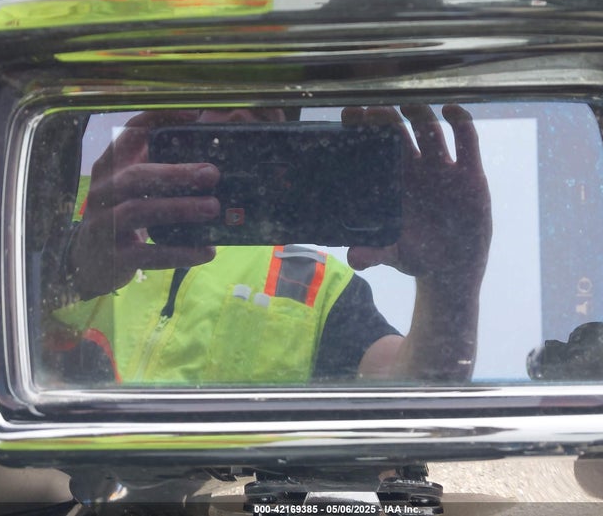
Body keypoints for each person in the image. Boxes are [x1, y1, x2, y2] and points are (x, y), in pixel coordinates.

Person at [46, 104, 491, 386]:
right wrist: (69, 267)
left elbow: (416, 389)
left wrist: (451, 279)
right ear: (182, 117)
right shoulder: (94, 212)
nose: (242, 116)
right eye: (221, 99)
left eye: (266, 113)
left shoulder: (322, 285)